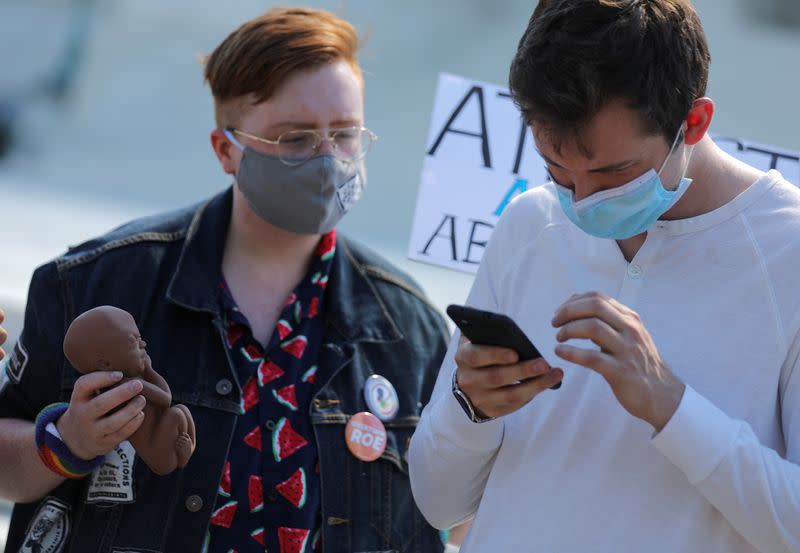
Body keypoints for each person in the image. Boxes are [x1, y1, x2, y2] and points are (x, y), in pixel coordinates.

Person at [0, 7, 449, 553]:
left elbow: (454, 513)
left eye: (346, 134)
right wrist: (65, 442)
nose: (328, 158)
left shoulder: (411, 329)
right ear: (225, 150)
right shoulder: (97, 285)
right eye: (296, 138)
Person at [409, 1, 800, 552]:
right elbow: (438, 503)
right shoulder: (530, 223)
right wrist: (469, 409)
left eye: (614, 173)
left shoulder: (788, 250)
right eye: (557, 171)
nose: (584, 202)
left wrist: (671, 405)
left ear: (695, 121)